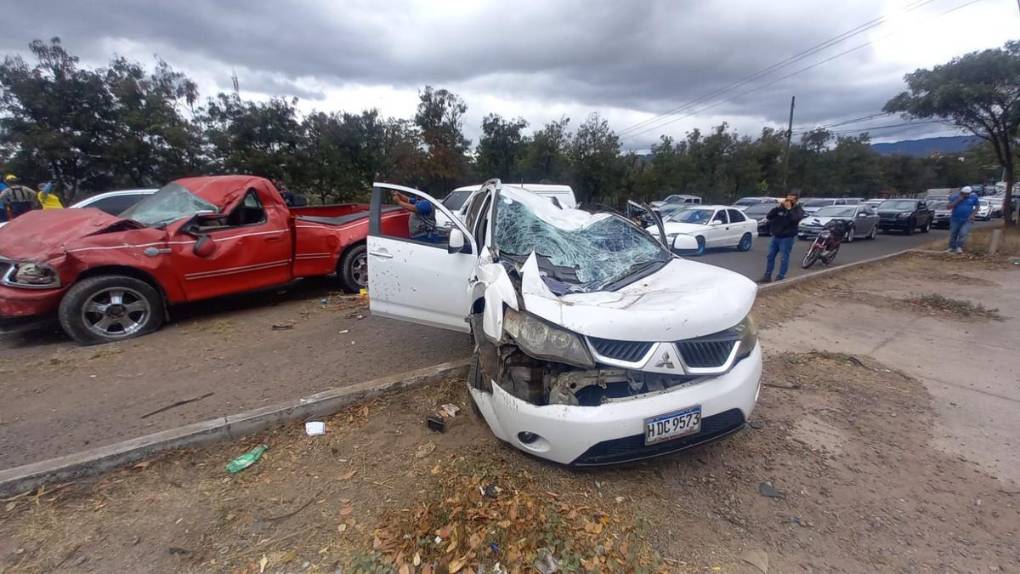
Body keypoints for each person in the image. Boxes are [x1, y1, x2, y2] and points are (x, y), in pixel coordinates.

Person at [758, 192, 805, 283]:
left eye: (791, 199)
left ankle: (781, 276)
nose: (788, 201)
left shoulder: (798, 210)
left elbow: (795, 219)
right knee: (770, 256)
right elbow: (769, 216)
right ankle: (767, 275)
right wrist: (779, 207)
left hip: (787, 238)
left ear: (796, 200)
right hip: (776, 236)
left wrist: (789, 209)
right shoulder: (780, 209)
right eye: (787, 199)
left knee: (784, 257)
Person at [946, 186, 978, 254]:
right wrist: (958, 200)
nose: (966, 195)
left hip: (967, 219)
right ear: (961, 193)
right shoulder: (955, 196)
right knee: (953, 233)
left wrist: (973, 215)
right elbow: (948, 207)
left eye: (968, 194)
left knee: (963, 233)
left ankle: (959, 247)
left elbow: (977, 206)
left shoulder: (973, 197)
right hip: (955, 219)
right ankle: (951, 247)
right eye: (964, 193)